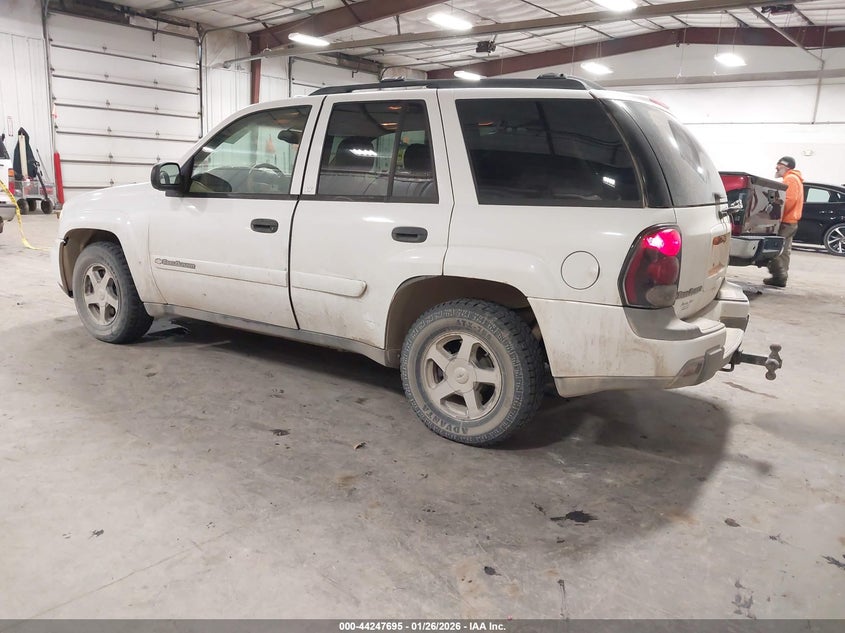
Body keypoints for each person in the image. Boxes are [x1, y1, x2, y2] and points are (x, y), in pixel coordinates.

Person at [765, 156, 804, 288]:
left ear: (786, 167)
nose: (776, 167)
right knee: (784, 250)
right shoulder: (794, 178)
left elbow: (789, 200)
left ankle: (779, 276)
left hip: (786, 221)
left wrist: (774, 211)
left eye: (779, 165)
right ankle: (780, 278)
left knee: (774, 249)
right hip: (791, 220)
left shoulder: (790, 179)